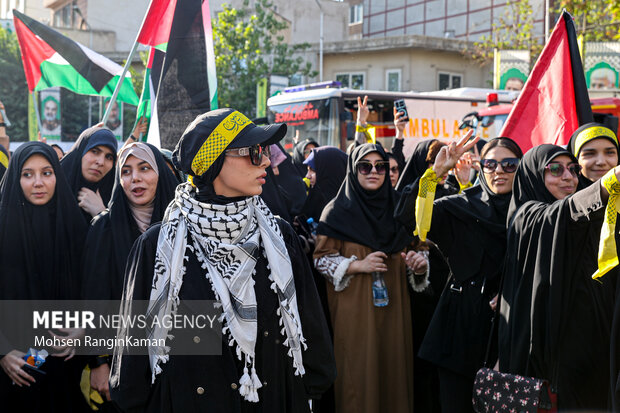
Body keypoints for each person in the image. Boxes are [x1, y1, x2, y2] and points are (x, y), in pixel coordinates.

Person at [109, 109, 336, 412]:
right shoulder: (157, 246)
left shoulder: (279, 236)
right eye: (253, 152)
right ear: (212, 160)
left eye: (264, 151)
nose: (266, 160)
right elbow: (131, 367)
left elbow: (312, 335)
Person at [395, 135, 523, 413]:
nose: (498, 170)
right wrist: (436, 173)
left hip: (512, 328)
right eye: (490, 164)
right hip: (460, 329)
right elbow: (410, 220)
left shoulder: (532, 211)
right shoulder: (461, 205)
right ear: (482, 168)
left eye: (509, 164)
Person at [499, 144, 618, 410]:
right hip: (551, 361)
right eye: (555, 169)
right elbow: (558, 215)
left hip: (595, 353)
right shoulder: (526, 216)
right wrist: (605, 185)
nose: (568, 177)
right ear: (532, 175)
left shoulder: (591, 218)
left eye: (573, 169)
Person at [313, 143, 423, 413]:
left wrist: (420, 266)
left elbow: (418, 249)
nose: (373, 171)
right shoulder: (336, 212)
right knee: (358, 377)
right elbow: (320, 259)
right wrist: (356, 266)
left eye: (380, 166)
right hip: (356, 312)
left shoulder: (400, 209)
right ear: (353, 170)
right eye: (365, 166)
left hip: (395, 309)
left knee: (394, 375)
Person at [81, 142, 179, 406]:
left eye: (144, 168)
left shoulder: (181, 226)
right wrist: (100, 363)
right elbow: (95, 298)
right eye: (126, 171)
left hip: (177, 359)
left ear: (161, 173)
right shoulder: (105, 227)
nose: (135, 178)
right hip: (122, 363)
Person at [0, 142, 88, 412]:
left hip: (65, 365)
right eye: (27, 174)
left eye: (46, 173)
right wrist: (2, 353)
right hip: (13, 370)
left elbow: (98, 290)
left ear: (57, 176)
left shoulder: (78, 227)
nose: (38, 182)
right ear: (16, 178)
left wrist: (85, 329)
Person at [61, 126, 117, 221]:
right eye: (95, 151)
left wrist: (101, 212)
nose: (101, 162)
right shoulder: (51, 188)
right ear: (81, 152)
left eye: (109, 157)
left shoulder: (117, 200)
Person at [302, 146, 347, 221]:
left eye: (313, 170)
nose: (307, 176)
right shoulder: (315, 199)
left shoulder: (348, 210)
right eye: (308, 170)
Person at [567, 122, 619, 187]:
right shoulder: (560, 195)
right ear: (575, 160)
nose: (601, 162)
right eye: (589, 154)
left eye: (609, 152)